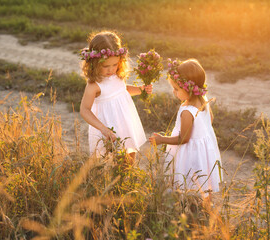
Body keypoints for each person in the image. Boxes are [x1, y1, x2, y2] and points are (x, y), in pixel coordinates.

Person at [149, 58, 221, 192]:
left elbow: (184, 139)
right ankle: (206, 205)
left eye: (176, 89)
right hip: (203, 151)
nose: (173, 92)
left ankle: (189, 206)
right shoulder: (203, 100)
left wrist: (161, 140)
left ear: (188, 88)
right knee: (202, 181)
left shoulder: (187, 111)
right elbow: (210, 118)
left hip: (190, 152)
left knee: (188, 180)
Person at [79, 31, 152, 158]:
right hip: (107, 126)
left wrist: (141, 90)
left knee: (129, 154)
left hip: (124, 121)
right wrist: (103, 128)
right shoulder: (94, 85)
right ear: (94, 63)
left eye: (115, 64)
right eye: (105, 66)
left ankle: (127, 176)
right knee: (112, 159)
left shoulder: (117, 75)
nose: (111, 69)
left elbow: (122, 91)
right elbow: (84, 110)